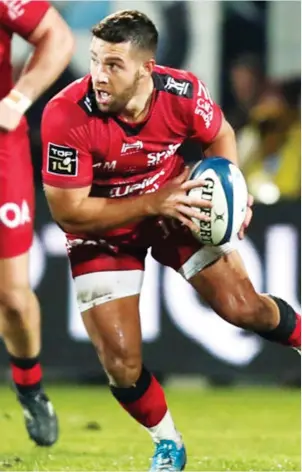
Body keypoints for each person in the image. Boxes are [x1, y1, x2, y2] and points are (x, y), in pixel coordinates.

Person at [41, 10, 301, 471]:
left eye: (113, 65)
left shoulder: (182, 93)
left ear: (146, 68)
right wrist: (150, 203)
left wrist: (231, 190)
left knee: (243, 307)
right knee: (120, 363)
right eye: (96, 60)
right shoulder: (65, 114)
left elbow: (219, 134)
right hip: (102, 231)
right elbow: (70, 213)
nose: (98, 76)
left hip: (175, 205)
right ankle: (168, 443)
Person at [0, 0, 74, 446]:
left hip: (1, 151)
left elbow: (58, 37)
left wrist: (19, 97)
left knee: (11, 296)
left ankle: (30, 387)